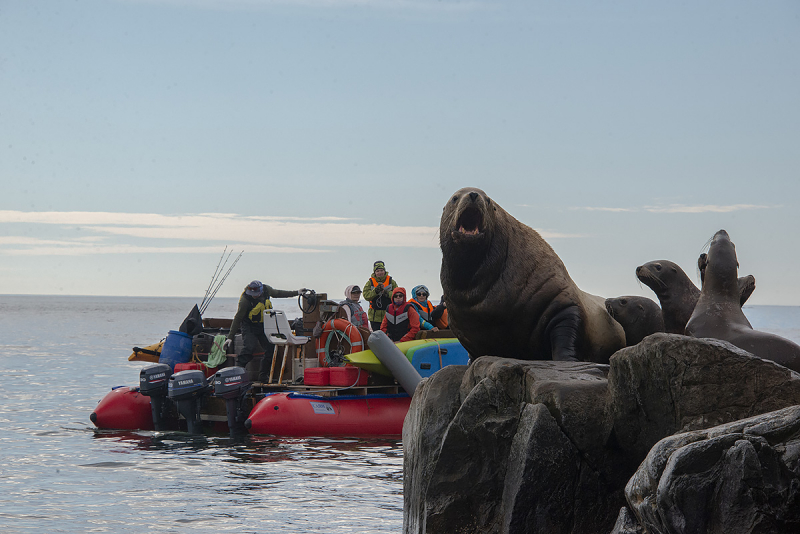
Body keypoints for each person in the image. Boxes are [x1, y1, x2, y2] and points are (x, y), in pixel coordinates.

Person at [224, 280, 305, 381]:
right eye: (252, 294)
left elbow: (279, 293)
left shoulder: (267, 290)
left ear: (261, 291)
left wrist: (297, 292)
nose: (254, 296)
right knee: (249, 347)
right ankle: (237, 372)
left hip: (264, 325)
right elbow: (238, 318)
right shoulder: (245, 300)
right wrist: (230, 337)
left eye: (256, 294)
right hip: (249, 326)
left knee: (270, 348)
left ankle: (263, 375)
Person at [362, 261, 398, 331]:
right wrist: (376, 291)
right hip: (374, 317)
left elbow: (398, 295)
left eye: (381, 270)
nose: (380, 272)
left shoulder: (391, 282)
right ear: (374, 272)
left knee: (389, 336)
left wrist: (386, 293)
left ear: (384, 271)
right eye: (377, 271)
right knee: (377, 336)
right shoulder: (370, 282)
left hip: (389, 314)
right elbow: (366, 296)